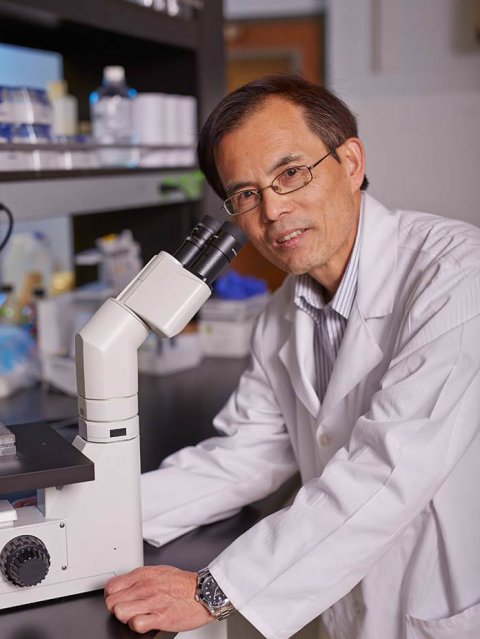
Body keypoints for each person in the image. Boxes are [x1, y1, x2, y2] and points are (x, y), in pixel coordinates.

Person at [104, 74, 480, 639]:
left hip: (447, 602)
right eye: (247, 194)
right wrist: (97, 520)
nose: (274, 211)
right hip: (353, 607)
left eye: (290, 173)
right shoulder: (285, 309)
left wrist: (214, 589)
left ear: (350, 162)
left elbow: (389, 469)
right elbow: (249, 454)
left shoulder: (456, 277)